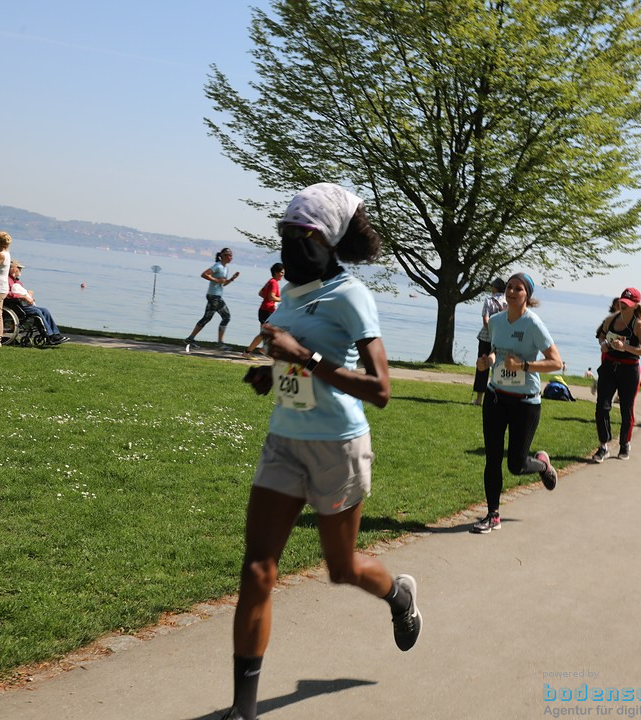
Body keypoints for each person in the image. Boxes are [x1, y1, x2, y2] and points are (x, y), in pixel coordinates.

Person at [225, 183, 421, 720]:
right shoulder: (292, 292)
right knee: (257, 570)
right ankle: (244, 710)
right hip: (285, 441)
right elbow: (295, 361)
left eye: (302, 235)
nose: (291, 243)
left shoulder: (351, 295)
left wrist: (303, 356)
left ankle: (398, 597)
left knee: (341, 568)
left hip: (339, 447)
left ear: (328, 239)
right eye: (286, 233)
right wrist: (273, 373)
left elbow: (380, 389)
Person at [472, 272, 563, 534]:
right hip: (496, 396)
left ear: (527, 296)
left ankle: (543, 464)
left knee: (516, 464)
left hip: (525, 402)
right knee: (492, 458)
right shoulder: (497, 321)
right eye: (509, 287)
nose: (511, 292)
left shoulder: (533, 324)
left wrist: (523, 365)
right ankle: (493, 515)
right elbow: (494, 353)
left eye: (518, 289)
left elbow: (556, 362)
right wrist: (486, 361)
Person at [592, 288, 641, 462]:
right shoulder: (611, 319)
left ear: (635, 306)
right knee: (601, 406)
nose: (623, 306)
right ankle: (604, 445)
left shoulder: (638, 325)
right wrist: (603, 344)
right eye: (621, 303)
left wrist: (625, 347)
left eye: (627, 304)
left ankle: (625, 443)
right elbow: (601, 336)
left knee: (626, 409)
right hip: (609, 367)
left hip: (629, 370)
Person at [185, 247, 240, 351]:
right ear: (223, 256)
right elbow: (204, 274)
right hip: (214, 296)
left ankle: (190, 339)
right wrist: (216, 279)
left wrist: (232, 278)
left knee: (207, 318)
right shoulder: (218, 266)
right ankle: (220, 343)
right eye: (229, 255)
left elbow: (223, 284)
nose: (231, 257)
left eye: (232, 255)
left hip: (215, 295)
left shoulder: (225, 268)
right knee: (226, 317)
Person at [7, 261, 69, 345]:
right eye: (19, 268)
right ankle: (49, 336)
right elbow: (7, 294)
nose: (20, 271)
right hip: (16, 305)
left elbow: (23, 291)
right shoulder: (7, 280)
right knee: (37, 312)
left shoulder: (16, 281)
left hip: (23, 304)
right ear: (13, 269)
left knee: (45, 310)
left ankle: (56, 334)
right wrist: (24, 297)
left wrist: (28, 295)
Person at [472, 277, 508, 406]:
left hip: (486, 338)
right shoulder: (508, 302)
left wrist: (492, 333)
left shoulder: (489, 300)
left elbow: (485, 321)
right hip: (502, 340)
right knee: (499, 367)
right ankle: (498, 397)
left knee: (482, 366)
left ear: (494, 287)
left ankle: (479, 398)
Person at [242, 262, 284, 358]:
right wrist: (283, 299)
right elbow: (272, 297)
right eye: (281, 272)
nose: (283, 275)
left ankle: (264, 349)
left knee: (267, 332)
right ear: (276, 272)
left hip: (264, 309)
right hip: (268, 310)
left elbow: (261, 293)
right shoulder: (274, 283)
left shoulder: (271, 281)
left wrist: (269, 299)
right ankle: (247, 352)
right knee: (266, 333)